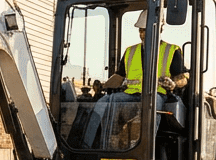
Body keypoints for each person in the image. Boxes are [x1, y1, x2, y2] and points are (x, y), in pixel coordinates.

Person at [72, 10, 188, 150]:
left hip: (157, 96)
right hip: (130, 96)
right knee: (103, 102)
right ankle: (91, 146)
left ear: (159, 29)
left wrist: (174, 83)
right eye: (140, 31)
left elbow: (182, 78)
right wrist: (102, 86)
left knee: (151, 103)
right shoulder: (130, 51)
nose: (142, 34)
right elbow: (119, 77)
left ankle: (141, 150)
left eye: (145, 30)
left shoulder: (171, 50)